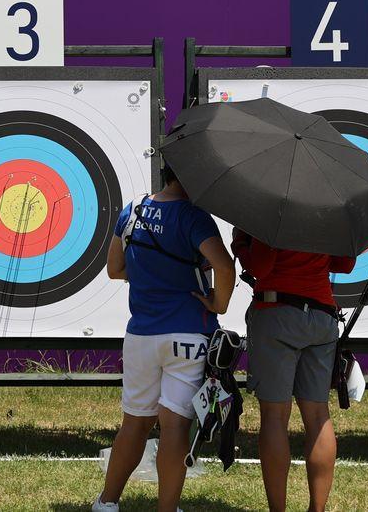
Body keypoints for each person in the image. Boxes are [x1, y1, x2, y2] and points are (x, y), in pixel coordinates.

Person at [94, 165, 236, 512]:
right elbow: (225, 267)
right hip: (188, 334)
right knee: (175, 426)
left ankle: (107, 503)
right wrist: (218, 302)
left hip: (142, 334)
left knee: (134, 422)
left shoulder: (134, 209)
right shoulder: (194, 217)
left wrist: (152, 277)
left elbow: (115, 269)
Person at [234, 228, 356, 512]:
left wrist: (241, 243)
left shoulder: (274, 208)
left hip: (277, 311)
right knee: (317, 415)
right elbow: (345, 264)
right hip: (323, 316)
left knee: (275, 417)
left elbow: (260, 266)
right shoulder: (326, 206)